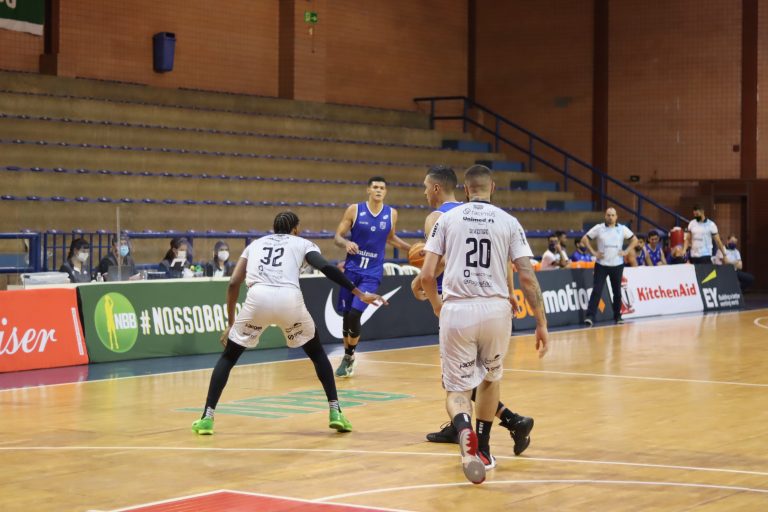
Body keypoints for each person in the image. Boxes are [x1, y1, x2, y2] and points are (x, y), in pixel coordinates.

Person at [191, 212, 387, 436]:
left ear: (274, 228)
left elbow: (233, 283)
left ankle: (207, 418)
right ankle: (335, 412)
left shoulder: (255, 245)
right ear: (295, 229)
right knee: (317, 354)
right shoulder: (302, 243)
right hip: (289, 299)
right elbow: (325, 267)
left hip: (257, 298)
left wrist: (231, 324)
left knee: (228, 357)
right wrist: (359, 293)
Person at [421, 165, 549, 484]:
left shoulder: (446, 219)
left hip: (458, 309)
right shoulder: (509, 222)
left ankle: (463, 428)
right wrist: (541, 322)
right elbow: (527, 276)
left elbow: (426, 276)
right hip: (495, 309)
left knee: (457, 389)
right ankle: (485, 449)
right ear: (492, 187)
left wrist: (437, 305)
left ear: (465, 190)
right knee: (490, 379)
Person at [333, 176, 411, 377]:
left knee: (354, 314)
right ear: (368, 190)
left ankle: (349, 356)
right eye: (375, 187)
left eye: (382, 188)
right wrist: (346, 243)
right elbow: (337, 237)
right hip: (352, 270)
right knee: (346, 316)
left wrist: (411, 249)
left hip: (372, 274)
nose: (378, 190)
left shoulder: (391, 213)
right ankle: (348, 356)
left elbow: (391, 238)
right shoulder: (354, 210)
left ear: (385, 192)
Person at [581, 208, 637, 326]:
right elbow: (584, 239)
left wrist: (626, 251)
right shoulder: (599, 228)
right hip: (601, 265)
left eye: (612, 215)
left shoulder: (622, 229)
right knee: (597, 291)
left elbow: (635, 240)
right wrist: (593, 252)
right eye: (608, 215)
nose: (610, 217)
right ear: (605, 216)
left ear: (616, 217)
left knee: (617, 293)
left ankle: (618, 316)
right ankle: (590, 317)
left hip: (617, 265)